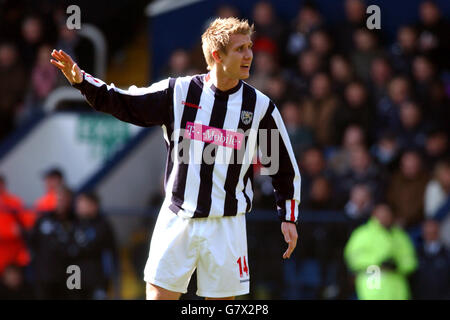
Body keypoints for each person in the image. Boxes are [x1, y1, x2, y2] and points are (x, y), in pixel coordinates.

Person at [51, 17, 301, 300]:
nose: (249, 55)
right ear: (217, 56)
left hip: (227, 224)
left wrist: (288, 217)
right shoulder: (179, 92)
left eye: (249, 47)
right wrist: (82, 81)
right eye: (240, 49)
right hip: (178, 218)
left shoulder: (260, 107)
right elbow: (125, 102)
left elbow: (281, 165)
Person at [344, 204, 417, 300]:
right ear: (374, 215)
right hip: (373, 275)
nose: (385, 218)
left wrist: (397, 265)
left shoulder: (400, 235)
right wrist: (378, 262)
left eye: (387, 215)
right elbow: (352, 257)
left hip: (396, 282)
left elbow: (410, 260)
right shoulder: (362, 233)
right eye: (382, 215)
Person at [29, 185, 76, 299]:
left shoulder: (77, 221)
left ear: (70, 201)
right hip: (46, 273)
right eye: (58, 199)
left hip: (72, 273)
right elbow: (32, 241)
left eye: (64, 199)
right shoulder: (44, 219)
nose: (61, 203)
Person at [72, 192, 117, 299]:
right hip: (74, 277)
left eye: (82, 203)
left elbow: (108, 252)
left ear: (93, 205)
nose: (78, 207)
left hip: (96, 279)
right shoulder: (74, 224)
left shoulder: (102, 225)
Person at [411, 219, 450, 299]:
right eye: (427, 233)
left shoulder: (446, 254)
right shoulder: (416, 254)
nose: (430, 235)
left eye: (433, 232)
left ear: (438, 232)